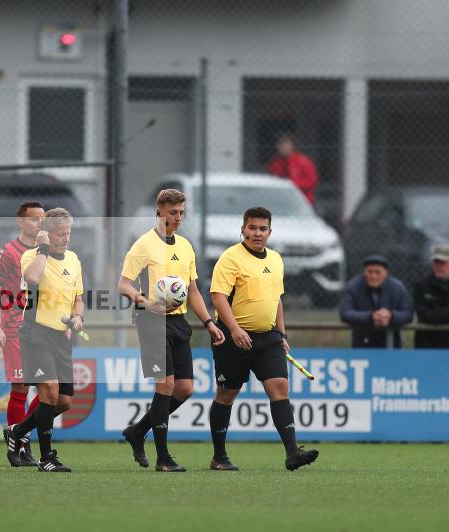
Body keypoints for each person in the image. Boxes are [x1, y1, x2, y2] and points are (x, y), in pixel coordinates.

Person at [118, 189, 225, 472]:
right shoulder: (143, 245)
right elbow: (124, 285)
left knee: (185, 388)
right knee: (164, 385)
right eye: (173, 212)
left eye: (181, 212)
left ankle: (138, 431)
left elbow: (193, 291)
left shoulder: (186, 246)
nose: (178, 218)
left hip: (178, 322)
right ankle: (163, 458)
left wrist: (209, 323)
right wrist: (145, 302)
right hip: (151, 319)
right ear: (159, 211)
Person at [208, 206, 319, 471]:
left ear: (270, 231)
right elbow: (218, 297)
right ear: (243, 229)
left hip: (268, 338)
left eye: (262, 228)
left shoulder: (275, 260)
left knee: (280, 388)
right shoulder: (230, 258)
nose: (257, 233)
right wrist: (234, 330)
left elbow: (276, 299)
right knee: (226, 394)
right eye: (252, 228)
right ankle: (219, 457)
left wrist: (281, 333)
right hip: (234, 338)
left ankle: (293, 453)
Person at [4, 208, 84, 473]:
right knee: (49, 391)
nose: (66, 238)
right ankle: (46, 457)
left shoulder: (73, 260)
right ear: (47, 234)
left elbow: (78, 298)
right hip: (36, 333)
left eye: (69, 232)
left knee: (64, 401)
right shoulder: (32, 255)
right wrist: (42, 249)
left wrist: (78, 317)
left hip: (62, 338)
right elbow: (32, 278)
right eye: (61, 234)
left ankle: (18, 431)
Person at [0, 201, 44, 467]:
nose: (40, 223)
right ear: (20, 222)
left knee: (47, 392)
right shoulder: (7, 252)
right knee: (21, 387)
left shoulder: (49, 252)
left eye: (43, 219)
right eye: (34, 219)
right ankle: (19, 446)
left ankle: (20, 435)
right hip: (14, 327)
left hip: (44, 328)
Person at [339, 255, 413, 348]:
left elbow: (408, 313)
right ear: (364, 272)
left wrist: (390, 316)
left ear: (386, 273)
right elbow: (345, 313)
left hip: (391, 347)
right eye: (369, 272)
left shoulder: (398, 287)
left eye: (378, 272)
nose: (373, 276)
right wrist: (371, 317)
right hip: (362, 346)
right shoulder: (353, 287)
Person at [413, 245, 449, 348]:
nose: (438, 266)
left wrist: (436, 313)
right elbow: (423, 314)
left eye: (443, 263)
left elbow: (429, 314)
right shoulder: (421, 285)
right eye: (436, 262)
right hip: (427, 344)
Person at [267, 133, 319, 205]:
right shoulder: (275, 163)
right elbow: (272, 180)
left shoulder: (303, 161)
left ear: (292, 145)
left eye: (286, 144)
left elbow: (312, 181)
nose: (283, 147)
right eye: (281, 145)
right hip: (281, 200)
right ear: (277, 147)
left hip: (303, 201)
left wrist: (291, 184)